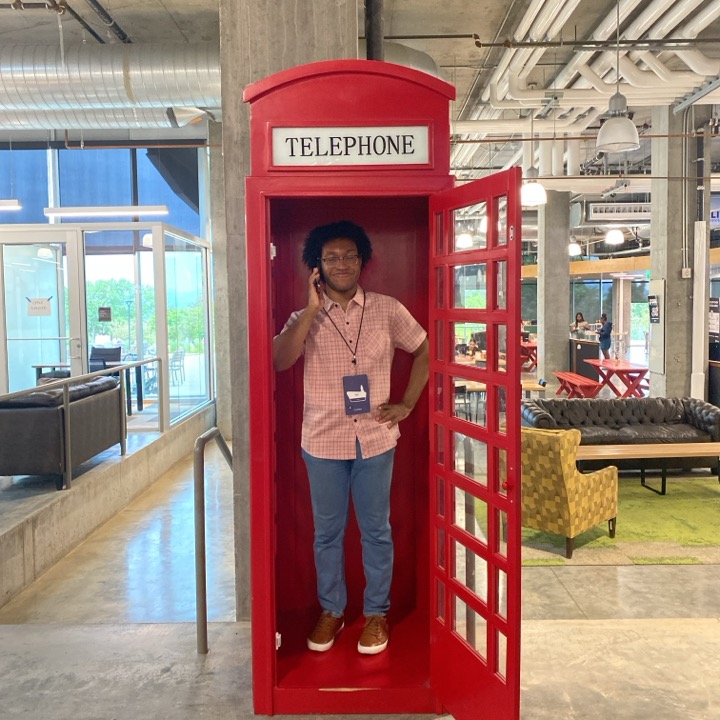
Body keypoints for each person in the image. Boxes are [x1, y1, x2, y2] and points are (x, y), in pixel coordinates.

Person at [273, 220, 429, 657]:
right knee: (327, 533)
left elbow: (424, 350)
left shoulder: (387, 308)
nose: (341, 263)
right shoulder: (303, 317)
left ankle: (376, 613)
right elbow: (280, 361)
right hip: (322, 442)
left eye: (349, 255)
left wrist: (408, 404)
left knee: (377, 530)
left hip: (376, 439)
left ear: (362, 261)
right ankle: (333, 611)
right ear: (317, 268)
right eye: (331, 257)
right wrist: (308, 309)